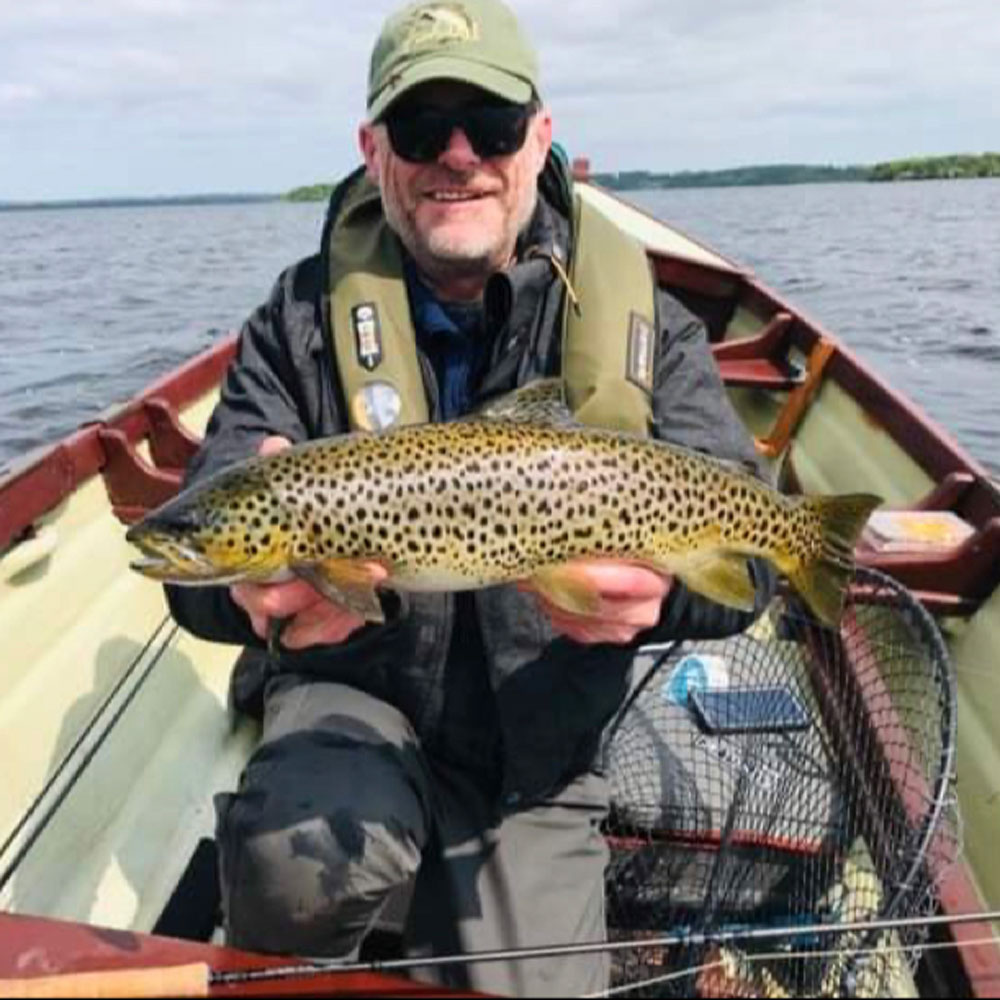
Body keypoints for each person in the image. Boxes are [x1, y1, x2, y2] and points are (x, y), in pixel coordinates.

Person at [166, 0, 774, 994]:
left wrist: (658, 600)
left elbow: (748, 565)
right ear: (373, 149)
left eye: (488, 127)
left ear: (539, 140)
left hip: (538, 746)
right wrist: (240, 598)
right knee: (289, 862)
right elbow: (196, 553)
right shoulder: (296, 323)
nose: (457, 157)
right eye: (420, 128)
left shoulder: (652, 331)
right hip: (352, 697)